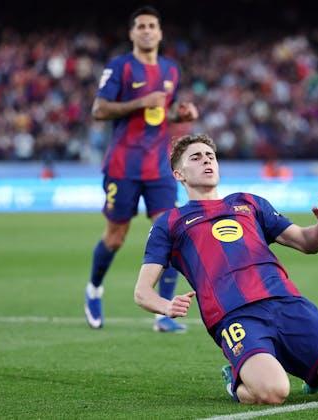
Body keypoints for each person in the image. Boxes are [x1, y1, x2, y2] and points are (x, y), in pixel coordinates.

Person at [134, 134, 318, 404]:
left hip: (288, 303)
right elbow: (142, 291)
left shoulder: (249, 203)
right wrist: (166, 306)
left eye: (210, 156)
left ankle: (311, 373)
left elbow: (307, 242)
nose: (206, 161)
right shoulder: (170, 223)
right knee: (273, 392)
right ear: (179, 174)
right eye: (196, 158)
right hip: (236, 316)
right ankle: (235, 381)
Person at [85, 6, 198, 331]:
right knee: (115, 237)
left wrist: (180, 114)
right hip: (123, 165)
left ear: (160, 33)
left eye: (152, 26)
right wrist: (139, 102)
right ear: (132, 33)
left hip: (159, 166)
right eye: (141, 26)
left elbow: (162, 113)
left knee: (172, 234)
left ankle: (163, 312)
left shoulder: (171, 69)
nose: (147, 31)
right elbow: (99, 109)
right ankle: (94, 289)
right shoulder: (120, 67)